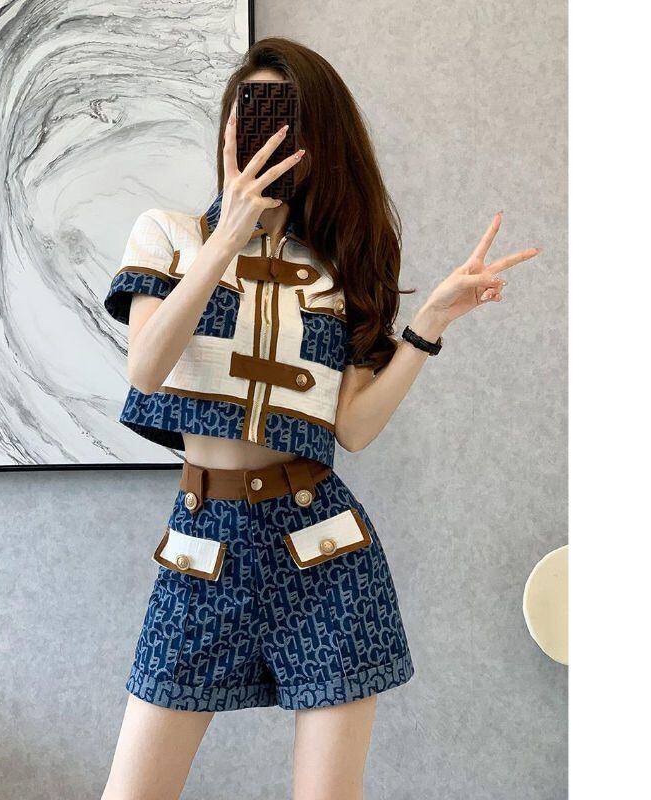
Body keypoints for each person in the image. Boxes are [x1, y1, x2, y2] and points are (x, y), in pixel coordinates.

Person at [100, 37, 539, 800]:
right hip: (203, 548)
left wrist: (429, 323)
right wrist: (228, 235)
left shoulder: (337, 267)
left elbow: (355, 427)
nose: (264, 133)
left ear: (317, 139)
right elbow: (145, 367)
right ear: (229, 126)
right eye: (250, 113)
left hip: (324, 552)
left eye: (286, 118)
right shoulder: (168, 233)